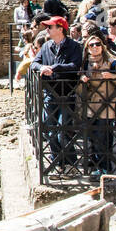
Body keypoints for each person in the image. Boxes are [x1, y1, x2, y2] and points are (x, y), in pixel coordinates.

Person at [35, 17, 84, 172]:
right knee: (50, 129)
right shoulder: (46, 46)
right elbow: (34, 63)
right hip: (50, 92)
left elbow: (75, 65)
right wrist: (42, 68)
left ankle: (70, 162)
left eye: (50, 27)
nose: (47, 30)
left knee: (63, 129)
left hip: (67, 92)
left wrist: (55, 68)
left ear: (61, 29)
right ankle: (57, 161)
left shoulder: (74, 46)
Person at [80, 34, 116, 175]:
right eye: (91, 45)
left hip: (107, 103)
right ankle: (97, 165)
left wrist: (112, 76)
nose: (95, 47)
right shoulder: (85, 62)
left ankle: (105, 168)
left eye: (97, 44)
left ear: (102, 46)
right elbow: (78, 82)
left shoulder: (111, 61)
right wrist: (82, 79)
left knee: (103, 138)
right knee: (93, 137)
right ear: (87, 48)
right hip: (90, 104)